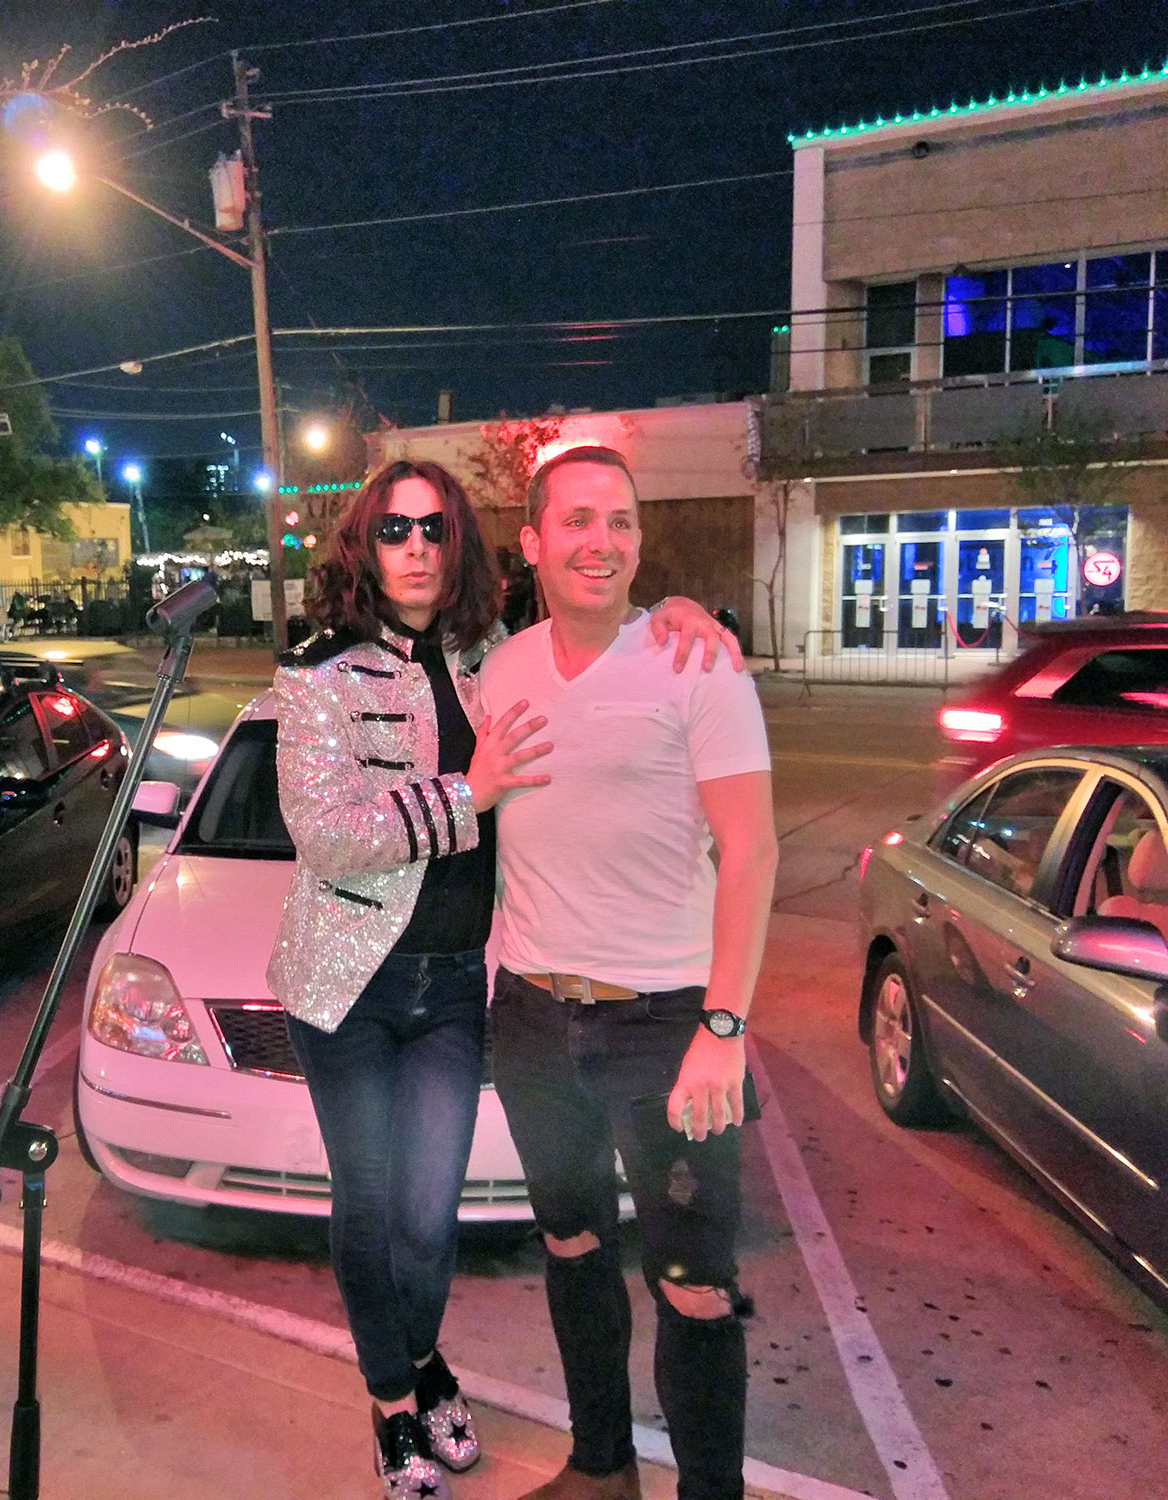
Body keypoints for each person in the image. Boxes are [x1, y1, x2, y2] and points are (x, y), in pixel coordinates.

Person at [268, 457, 736, 1499]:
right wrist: (465, 793)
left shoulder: (493, 653)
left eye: (435, 529)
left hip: (447, 984)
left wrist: (673, 610)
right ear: (362, 544)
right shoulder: (316, 672)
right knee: (369, 1199)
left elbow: (592, 601)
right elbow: (326, 837)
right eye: (394, 530)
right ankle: (395, 1404)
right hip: (345, 985)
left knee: (428, 1218)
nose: (416, 548)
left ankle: (420, 1356)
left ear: (465, 546)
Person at [481, 446, 777, 1500]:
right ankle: (600, 1467)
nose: (598, 542)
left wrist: (724, 1027)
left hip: (668, 1027)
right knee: (568, 1246)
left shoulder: (696, 664)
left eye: (618, 522)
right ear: (531, 544)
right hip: (529, 1017)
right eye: (575, 521)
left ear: (638, 542)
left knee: (694, 1286)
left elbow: (750, 851)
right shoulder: (499, 670)